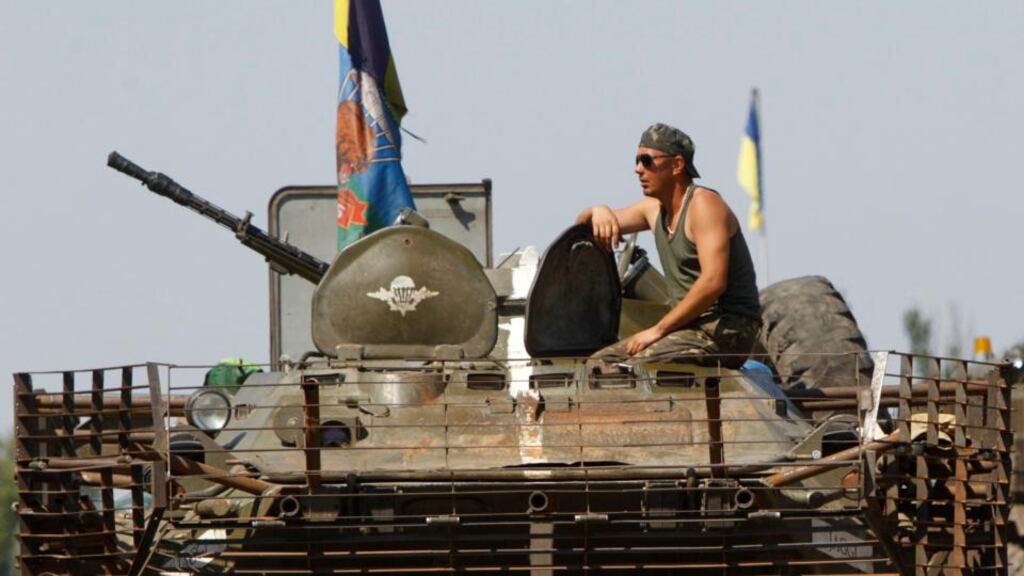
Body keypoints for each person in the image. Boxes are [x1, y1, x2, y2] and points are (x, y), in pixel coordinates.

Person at [575, 123, 761, 368]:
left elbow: (714, 282)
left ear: (677, 165)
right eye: (637, 160)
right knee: (597, 365)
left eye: (647, 160)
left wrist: (657, 331)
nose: (638, 169)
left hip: (726, 330)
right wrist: (596, 210)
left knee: (633, 368)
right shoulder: (653, 210)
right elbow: (581, 229)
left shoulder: (704, 205)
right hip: (688, 328)